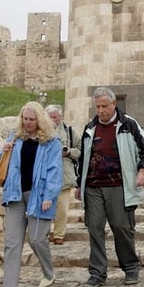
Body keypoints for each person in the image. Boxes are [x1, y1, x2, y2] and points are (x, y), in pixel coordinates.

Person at [76, 87, 144, 287]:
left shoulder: (128, 124)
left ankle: (130, 267)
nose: (101, 110)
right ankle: (97, 273)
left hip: (119, 185)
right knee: (94, 227)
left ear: (114, 104)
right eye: (98, 106)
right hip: (93, 186)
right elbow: (83, 158)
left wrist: (143, 171)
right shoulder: (89, 128)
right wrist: (79, 184)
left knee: (121, 227)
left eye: (104, 106)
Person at [0, 101, 63, 287]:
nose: (28, 123)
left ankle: (49, 272)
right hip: (14, 193)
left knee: (37, 239)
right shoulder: (15, 136)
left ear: (39, 120)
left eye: (31, 119)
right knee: (12, 244)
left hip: (39, 196)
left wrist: (49, 195)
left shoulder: (51, 142)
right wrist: (2, 150)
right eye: (25, 119)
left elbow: (54, 171)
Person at [46, 104, 82, 245]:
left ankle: (59, 234)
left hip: (64, 175)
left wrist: (68, 152)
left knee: (61, 208)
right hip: (46, 175)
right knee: (45, 206)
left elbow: (81, 151)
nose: (53, 120)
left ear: (60, 117)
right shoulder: (40, 131)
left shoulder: (70, 132)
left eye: (55, 117)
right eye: (50, 117)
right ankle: (45, 232)